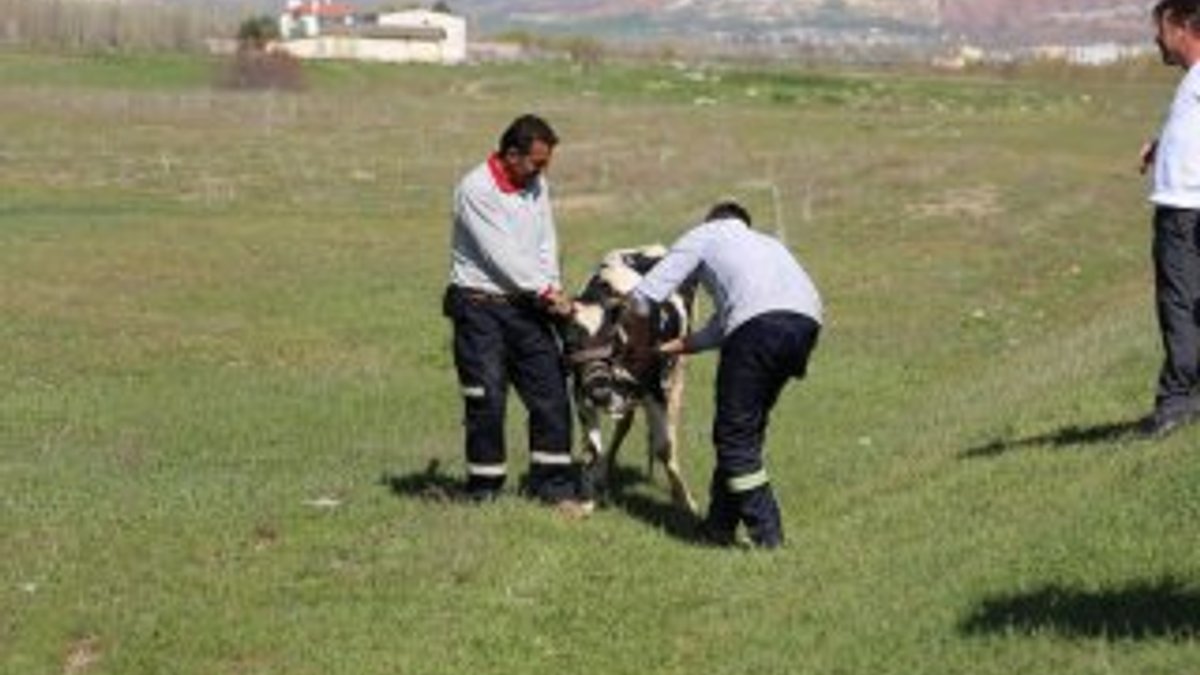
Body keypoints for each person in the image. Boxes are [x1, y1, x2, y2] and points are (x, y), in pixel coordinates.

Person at [624, 201, 823, 548]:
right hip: (804, 326)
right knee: (743, 432)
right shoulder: (767, 245)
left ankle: (769, 538)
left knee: (734, 440)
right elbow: (719, 330)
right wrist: (662, 350)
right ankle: (718, 528)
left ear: (713, 221)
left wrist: (640, 352)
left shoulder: (706, 235)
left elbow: (642, 298)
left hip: (759, 330)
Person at [443, 114, 582, 509]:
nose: (541, 171)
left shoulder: (537, 183)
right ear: (511, 154)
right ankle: (484, 491)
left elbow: (544, 241)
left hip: (528, 306)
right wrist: (546, 292)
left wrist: (551, 286)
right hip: (479, 309)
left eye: (546, 164)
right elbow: (500, 255)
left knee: (552, 394)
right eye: (536, 163)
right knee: (486, 398)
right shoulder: (475, 189)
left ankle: (553, 487)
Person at [1139, 0, 1200, 438]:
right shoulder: (1194, 81)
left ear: (1181, 27)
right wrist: (1163, 144)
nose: (1156, 38)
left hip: (1185, 212)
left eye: (1160, 28)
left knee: (1179, 306)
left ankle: (1177, 404)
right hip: (1185, 207)